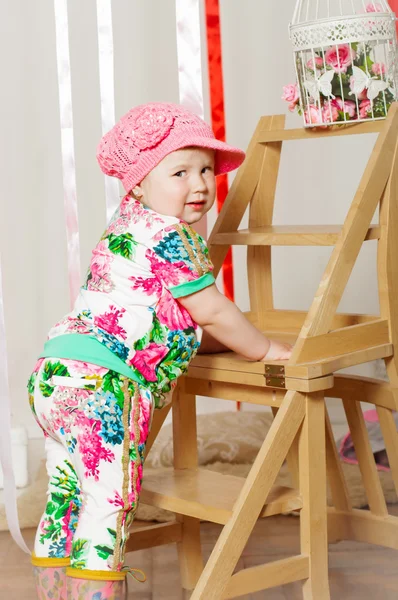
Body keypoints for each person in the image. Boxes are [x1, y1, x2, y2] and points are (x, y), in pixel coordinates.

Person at [28, 102, 293, 600]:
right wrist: (262, 350)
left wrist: (212, 337)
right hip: (104, 386)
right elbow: (211, 310)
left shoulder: (126, 226)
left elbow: (176, 317)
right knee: (109, 502)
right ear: (138, 184)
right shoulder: (171, 236)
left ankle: (55, 592)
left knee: (66, 494)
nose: (200, 184)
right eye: (180, 171)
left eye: (207, 170)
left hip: (55, 374)